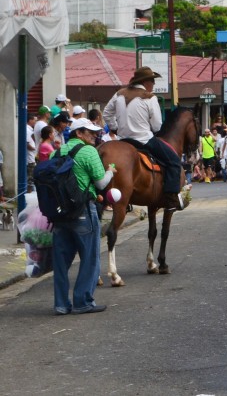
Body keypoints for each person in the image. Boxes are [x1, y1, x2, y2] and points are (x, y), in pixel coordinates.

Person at [102, 66, 186, 211]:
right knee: (173, 161)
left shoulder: (119, 94)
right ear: (146, 82)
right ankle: (171, 198)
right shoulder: (150, 97)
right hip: (144, 140)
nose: (153, 84)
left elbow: (106, 113)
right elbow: (157, 125)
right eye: (152, 81)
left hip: (122, 140)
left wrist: (115, 127)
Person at [51, 117, 112, 315]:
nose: (95, 135)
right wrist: (111, 171)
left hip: (60, 214)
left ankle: (61, 304)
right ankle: (83, 301)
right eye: (90, 132)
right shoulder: (88, 151)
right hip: (83, 210)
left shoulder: (57, 152)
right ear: (79, 133)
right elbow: (101, 183)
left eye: (95, 132)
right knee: (90, 257)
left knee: (61, 261)